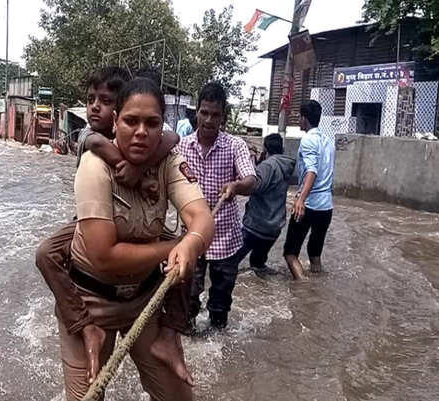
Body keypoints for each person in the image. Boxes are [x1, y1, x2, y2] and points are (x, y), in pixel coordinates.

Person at [51, 77, 215, 401]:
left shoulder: (170, 162)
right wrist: (175, 246)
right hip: (91, 302)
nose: (141, 131)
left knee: (180, 398)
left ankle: (171, 335)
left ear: (162, 127)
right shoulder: (94, 166)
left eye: (152, 123)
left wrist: (191, 243)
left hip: (145, 298)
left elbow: (202, 217)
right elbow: (103, 256)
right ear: (115, 122)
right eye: (131, 121)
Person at [176, 82, 257, 330]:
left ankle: (218, 349)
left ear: (224, 117)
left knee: (220, 305)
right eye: (204, 112)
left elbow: (251, 180)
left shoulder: (235, 146)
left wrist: (236, 186)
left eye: (215, 114)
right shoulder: (182, 147)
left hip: (225, 239)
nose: (209, 120)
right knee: (186, 300)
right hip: (192, 236)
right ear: (196, 113)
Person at [283, 100, 335, 280]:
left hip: (309, 204)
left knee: (290, 252)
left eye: (299, 117)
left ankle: (305, 289)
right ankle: (318, 285)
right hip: (326, 206)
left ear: (304, 119)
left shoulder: (307, 140)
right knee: (315, 253)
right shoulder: (329, 141)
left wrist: (300, 199)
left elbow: (312, 171)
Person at [237, 134, 296, 276]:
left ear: (265, 150)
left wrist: (251, 161)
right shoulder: (285, 165)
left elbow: (253, 186)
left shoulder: (268, 165)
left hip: (256, 226)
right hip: (273, 228)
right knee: (257, 265)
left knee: (230, 262)